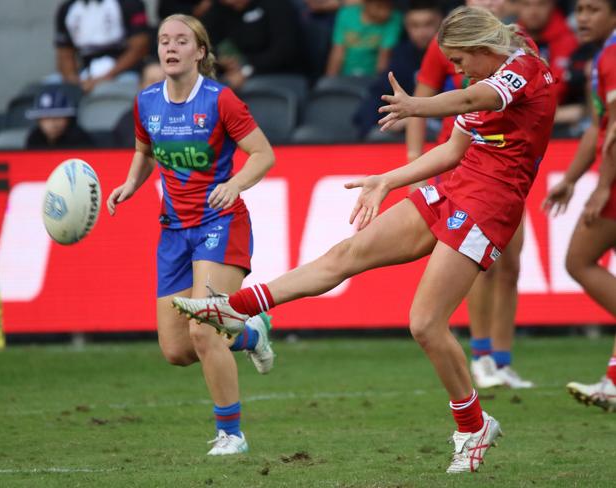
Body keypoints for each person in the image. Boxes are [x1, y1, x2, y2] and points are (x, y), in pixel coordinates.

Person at [174, 6, 556, 472]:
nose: (456, 71)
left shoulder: (522, 71)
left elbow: (467, 99)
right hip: (456, 187)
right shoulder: (485, 74)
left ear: (483, 48)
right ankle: (238, 307)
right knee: (345, 253)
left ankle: (473, 427)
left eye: (459, 61)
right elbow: (455, 149)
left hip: (489, 206)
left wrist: (416, 105)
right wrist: (388, 180)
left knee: (425, 323)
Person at [106, 14, 277, 455]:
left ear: (200, 52)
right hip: (173, 232)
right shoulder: (145, 101)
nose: (171, 47)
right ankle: (249, 333)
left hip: (220, 223)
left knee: (203, 329)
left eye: (181, 40)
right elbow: (145, 151)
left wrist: (235, 184)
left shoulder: (221, 100)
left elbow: (263, 154)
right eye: (164, 41)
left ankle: (231, 435)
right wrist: (130, 184)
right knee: (178, 350)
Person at [405, 0, 535, 390]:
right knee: (481, 260)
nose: (492, 3)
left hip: (509, 167)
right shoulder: (451, 41)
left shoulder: (521, 43)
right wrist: (413, 157)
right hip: (466, 159)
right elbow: (422, 94)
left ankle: (501, 358)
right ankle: (480, 356)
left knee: (510, 263)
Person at [542, 0, 616, 413]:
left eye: (593, 9)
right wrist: (570, 178)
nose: (582, 18)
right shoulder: (602, 56)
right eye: (580, 9)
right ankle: (612, 382)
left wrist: (603, 186)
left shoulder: (612, 56)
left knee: (580, 260)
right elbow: (598, 126)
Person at [354, 0, 444, 138]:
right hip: (407, 125)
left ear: (441, 22)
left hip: (445, 127)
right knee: (376, 134)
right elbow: (379, 93)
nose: (422, 32)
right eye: (415, 25)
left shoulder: (453, 56)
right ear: (406, 27)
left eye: (428, 24)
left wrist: (413, 116)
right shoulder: (402, 55)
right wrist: (383, 122)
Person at [202, 0, 305, 90]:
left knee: (232, 89)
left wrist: (246, 71)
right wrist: (219, 60)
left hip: (280, 74)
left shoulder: (276, 4)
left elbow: (285, 51)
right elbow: (205, 41)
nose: (229, 2)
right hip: (234, 71)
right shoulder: (220, 9)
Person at [55, 0, 151, 92]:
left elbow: (139, 48)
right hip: (85, 70)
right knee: (52, 84)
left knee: (128, 82)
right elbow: (64, 53)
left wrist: (105, 78)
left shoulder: (129, 3)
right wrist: (74, 81)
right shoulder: (67, 9)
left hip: (122, 69)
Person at [516, 0, 579, 119]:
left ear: (552, 5)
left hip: (557, 119)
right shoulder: (509, 39)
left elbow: (558, 86)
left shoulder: (568, 39)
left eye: (541, 4)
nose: (533, 12)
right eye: (526, 4)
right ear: (517, 6)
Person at [325, 0, 402, 77]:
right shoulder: (346, 14)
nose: (385, 12)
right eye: (379, 7)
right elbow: (337, 52)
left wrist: (378, 83)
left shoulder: (394, 18)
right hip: (344, 74)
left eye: (389, 7)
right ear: (366, 3)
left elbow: (384, 56)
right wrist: (330, 79)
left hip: (371, 77)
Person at [113, 58, 166, 147]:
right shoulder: (127, 121)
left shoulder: (185, 116)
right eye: (152, 81)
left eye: (164, 80)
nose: (158, 86)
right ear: (141, 85)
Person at [25, 86, 94, 149]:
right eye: (46, 118)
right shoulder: (34, 139)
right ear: (38, 121)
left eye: (58, 117)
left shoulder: (80, 140)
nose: (53, 123)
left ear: (68, 119)